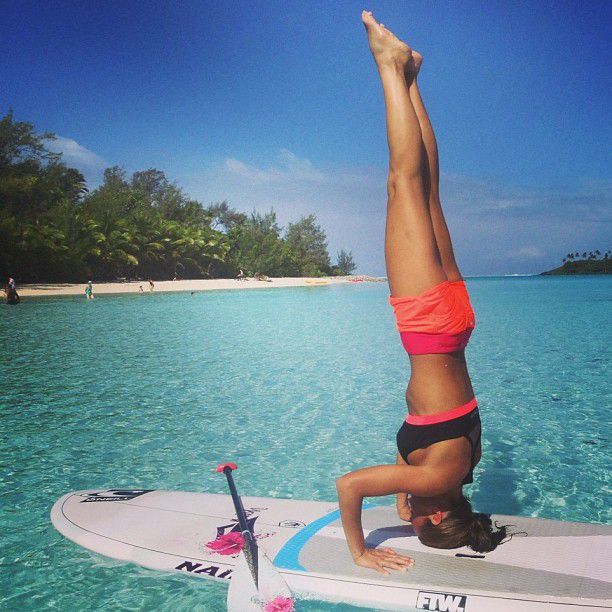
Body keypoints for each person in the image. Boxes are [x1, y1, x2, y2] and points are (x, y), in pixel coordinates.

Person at [335, 12, 506, 575]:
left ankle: (411, 77)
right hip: (428, 323)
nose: (406, 514)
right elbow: (351, 486)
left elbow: (421, 450)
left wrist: (410, 495)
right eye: (415, 521)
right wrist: (360, 550)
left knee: (430, 191)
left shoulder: (461, 467)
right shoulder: (431, 479)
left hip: (456, 319)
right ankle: (389, 65)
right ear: (435, 517)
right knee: (404, 184)